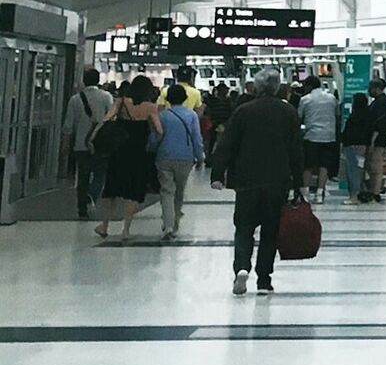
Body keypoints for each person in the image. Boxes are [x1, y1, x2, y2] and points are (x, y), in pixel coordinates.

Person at [211, 69, 304, 295]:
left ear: (257, 86)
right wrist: (298, 181)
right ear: (277, 87)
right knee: (270, 231)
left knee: (243, 228)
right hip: (277, 180)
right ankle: (264, 279)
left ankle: (242, 268)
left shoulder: (243, 111)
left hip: (246, 179)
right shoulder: (288, 111)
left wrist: (217, 174)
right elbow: (296, 150)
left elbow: (227, 144)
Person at [92, 77, 159, 243]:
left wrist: (94, 136)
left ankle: (104, 225)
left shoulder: (121, 102)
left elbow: (106, 119)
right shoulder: (151, 107)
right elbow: (159, 130)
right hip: (138, 153)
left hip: (119, 151)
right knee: (133, 191)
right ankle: (126, 229)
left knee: (112, 189)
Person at [154, 81, 206, 242]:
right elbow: (197, 138)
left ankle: (168, 224)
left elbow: (156, 136)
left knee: (166, 190)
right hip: (185, 157)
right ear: (184, 98)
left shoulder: (162, 116)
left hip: (164, 156)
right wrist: (200, 156)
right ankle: (175, 222)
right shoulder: (191, 116)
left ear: (168, 99)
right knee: (179, 191)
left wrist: (151, 149)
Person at [66, 66, 111, 219]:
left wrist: (66, 142)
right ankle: (92, 195)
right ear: (98, 80)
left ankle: (82, 210)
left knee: (83, 176)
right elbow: (111, 119)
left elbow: (68, 125)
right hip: (101, 144)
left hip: (81, 144)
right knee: (100, 174)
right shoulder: (106, 97)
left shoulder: (75, 99)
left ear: (84, 82)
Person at [299, 75, 340, 201]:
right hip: (329, 136)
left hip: (311, 136)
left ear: (309, 86)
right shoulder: (332, 98)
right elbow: (337, 114)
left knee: (308, 166)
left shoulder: (305, 99)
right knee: (324, 166)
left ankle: (305, 194)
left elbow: (299, 115)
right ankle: (319, 194)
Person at [340, 90, 375, 202]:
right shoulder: (369, 115)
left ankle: (353, 196)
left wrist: (342, 143)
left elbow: (348, 132)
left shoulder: (354, 116)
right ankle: (362, 193)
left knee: (352, 171)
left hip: (352, 146)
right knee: (360, 171)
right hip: (363, 147)